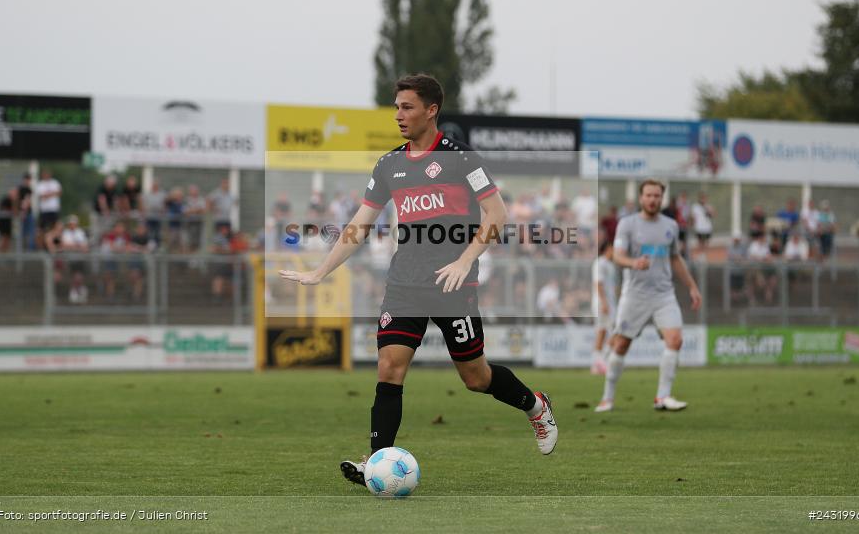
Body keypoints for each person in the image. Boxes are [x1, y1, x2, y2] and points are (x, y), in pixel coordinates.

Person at [279, 74, 558, 489]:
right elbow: (360, 223)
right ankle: (376, 462)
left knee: (475, 378)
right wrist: (321, 270)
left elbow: (497, 216)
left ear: (431, 110)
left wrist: (465, 260)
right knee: (390, 369)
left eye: (407, 107)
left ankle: (535, 406)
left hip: (453, 284)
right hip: (404, 281)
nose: (398, 115)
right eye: (396, 107)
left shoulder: (463, 159)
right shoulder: (389, 164)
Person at [595, 179, 702, 413]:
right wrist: (634, 262)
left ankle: (662, 397)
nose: (652, 199)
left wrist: (692, 286)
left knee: (675, 340)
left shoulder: (671, 226)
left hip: (664, 295)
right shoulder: (627, 224)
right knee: (621, 345)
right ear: (641, 198)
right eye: (648, 195)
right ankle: (607, 398)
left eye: (656, 195)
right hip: (635, 296)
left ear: (661, 198)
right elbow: (618, 256)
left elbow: (675, 258)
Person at [591, 239, 617, 375]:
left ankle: (597, 364)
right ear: (608, 248)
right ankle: (602, 362)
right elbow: (598, 283)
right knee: (613, 332)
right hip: (603, 303)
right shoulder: (600, 263)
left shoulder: (610, 265)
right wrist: (604, 302)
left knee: (602, 332)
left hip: (609, 303)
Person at [60, 215, 89, 304]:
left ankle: (78, 292)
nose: (72, 225)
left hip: (79, 258)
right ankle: (75, 292)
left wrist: (73, 246)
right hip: (70, 259)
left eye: (73, 223)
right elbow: (65, 246)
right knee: (74, 276)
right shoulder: (65, 233)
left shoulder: (80, 232)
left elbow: (85, 247)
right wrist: (77, 246)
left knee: (78, 276)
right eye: (71, 224)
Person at [35, 169, 62, 248]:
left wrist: (48, 195)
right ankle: (42, 247)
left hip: (53, 209)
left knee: (56, 229)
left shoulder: (55, 182)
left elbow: (59, 193)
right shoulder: (40, 184)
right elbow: (42, 196)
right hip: (44, 211)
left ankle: (55, 246)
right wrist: (52, 193)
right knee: (41, 230)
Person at [690, 192, 714, 258]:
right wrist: (692, 224)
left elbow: (713, 215)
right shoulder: (695, 206)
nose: (703, 200)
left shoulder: (708, 206)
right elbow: (692, 217)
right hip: (699, 227)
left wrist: (708, 211)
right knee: (700, 242)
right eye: (702, 198)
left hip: (707, 227)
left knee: (706, 242)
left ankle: (705, 255)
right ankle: (700, 255)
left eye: (705, 198)